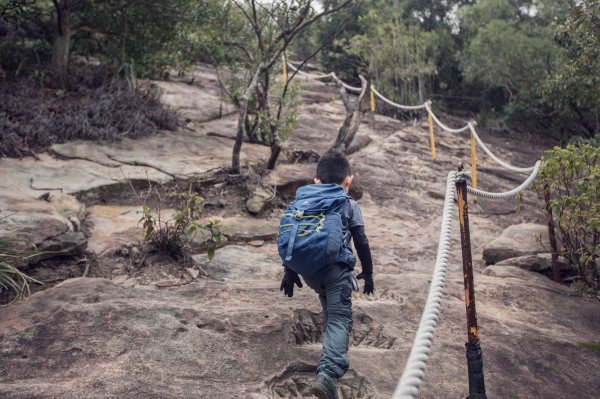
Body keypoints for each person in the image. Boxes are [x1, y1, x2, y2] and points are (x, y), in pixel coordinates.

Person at [279, 151, 374, 399]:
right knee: (339, 319)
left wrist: (289, 272)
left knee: (330, 312)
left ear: (316, 181)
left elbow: (293, 236)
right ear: (348, 181)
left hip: (309, 273)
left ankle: (329, 356)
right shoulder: (348, 203)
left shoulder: (301, 202)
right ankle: (328, 374)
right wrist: (369, 273)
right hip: (336, 272)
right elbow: (361, 241)